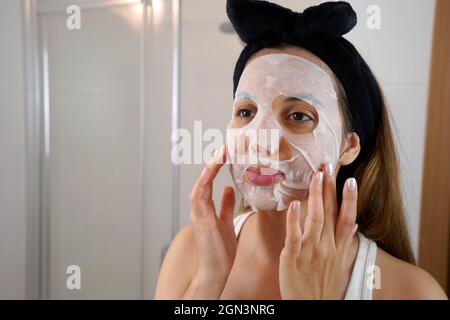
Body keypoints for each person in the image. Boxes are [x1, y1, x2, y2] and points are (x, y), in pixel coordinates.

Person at [154, 1, 447, 300]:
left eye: (298, 116)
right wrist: (208, 282)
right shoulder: (191, 251)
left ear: (349, 146)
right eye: (246, 112)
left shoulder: (412, 292)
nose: (261, 140)